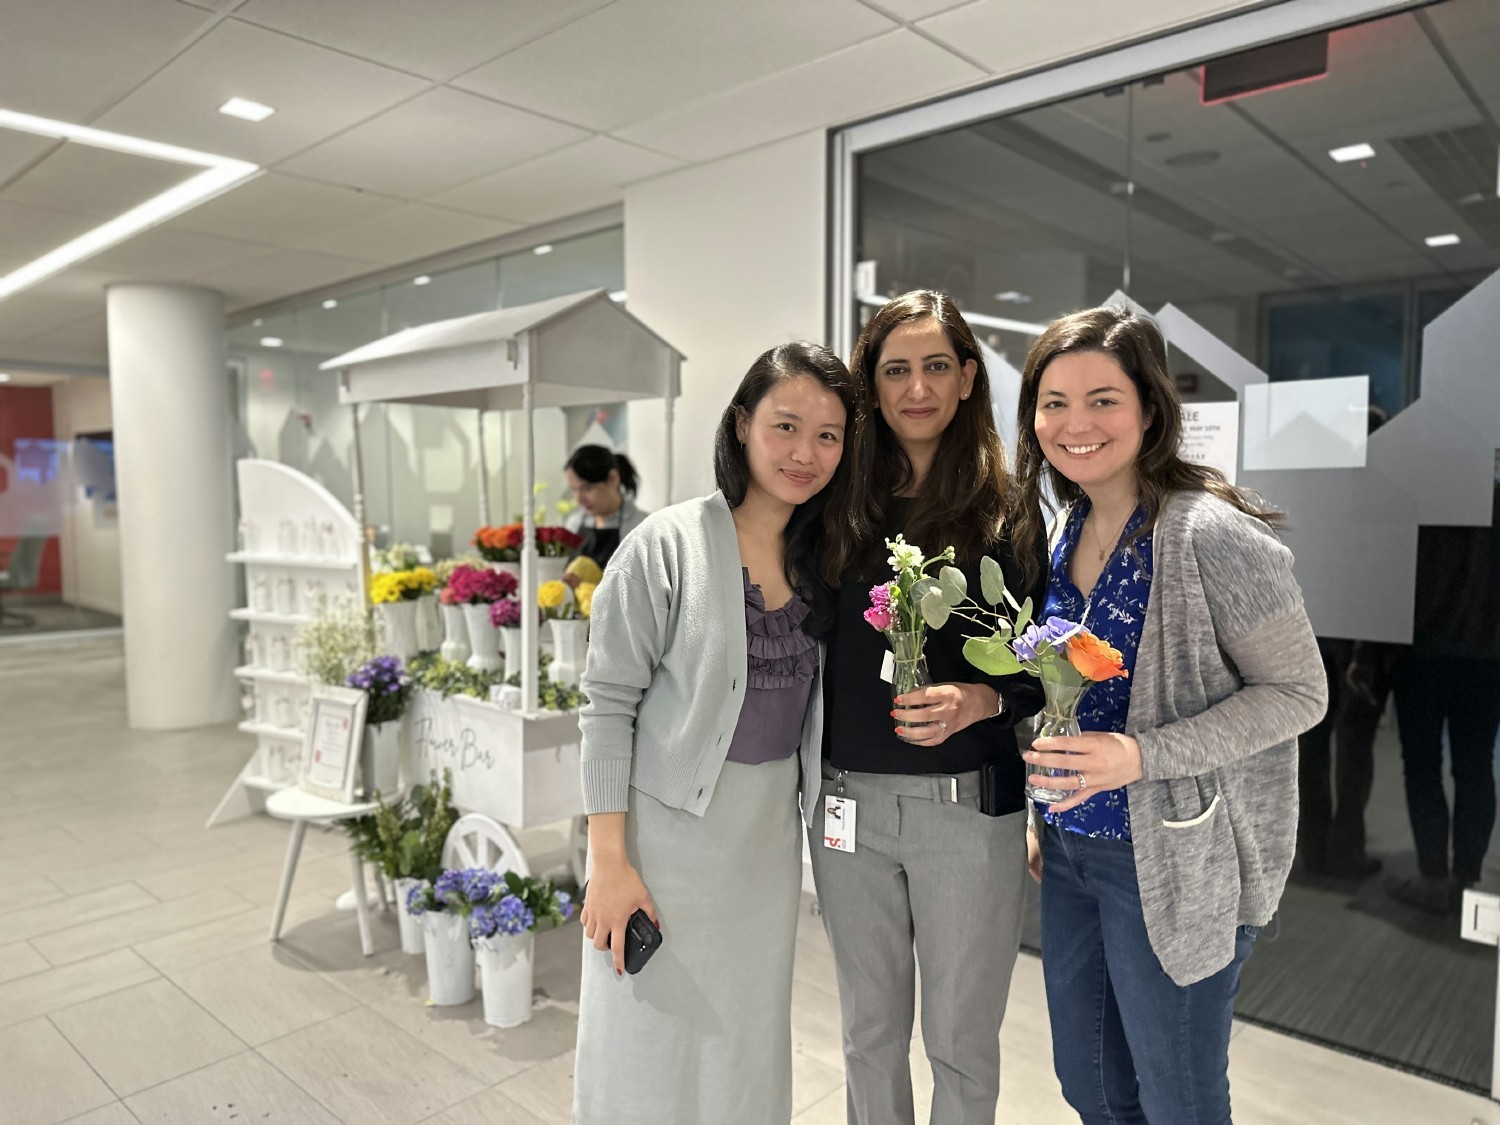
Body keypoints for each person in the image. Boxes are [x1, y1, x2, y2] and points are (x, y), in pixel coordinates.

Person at [1011, 305, 1327, 1125]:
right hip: (1073, 851)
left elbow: (1300, 692)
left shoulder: (1210, 535)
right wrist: (1047, 807)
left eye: (1103, 399)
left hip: (1172, 861)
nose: (1076, 424)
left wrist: (1139, 755)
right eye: (1054, 402)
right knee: (1091, 1086)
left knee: (1177, 1099)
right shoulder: (1065, 527)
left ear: (1150, 407)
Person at [572, 342, 854, 1124]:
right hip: (662, 845)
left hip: (762, 850)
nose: (805, 452)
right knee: (648, 1037)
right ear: (741, 425)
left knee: (744, 1042)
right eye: (786, 425)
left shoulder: (824, 563)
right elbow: (604, 706)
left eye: (828, 435)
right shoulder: (665, 548)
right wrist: (608, 862)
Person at [813, 290, 1046, 1125]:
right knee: (868, 1032)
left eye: (936, 366)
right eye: (896, 369)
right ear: (870, 387)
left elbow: (1043, 664)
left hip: (967, 815)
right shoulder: (836, 503)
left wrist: (984, 695)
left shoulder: (1008, 510)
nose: (917, 387)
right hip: (846, 810)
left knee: (960, 1040)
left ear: (969, 378)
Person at [1385, 480, 1500, 914]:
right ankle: (1466, 879)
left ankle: (1434, 879)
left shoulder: (1426, 495)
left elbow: (1403, 576)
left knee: (1423, 765)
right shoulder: (1497, 498)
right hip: (1488, 655)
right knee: (1475, 765)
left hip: (1423, 651)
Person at [563, 444, 648, 569]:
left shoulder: (643, 526)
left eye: (587, 488)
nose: (579, 499)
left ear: (613, 478)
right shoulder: (574, 523)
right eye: (574, 490)